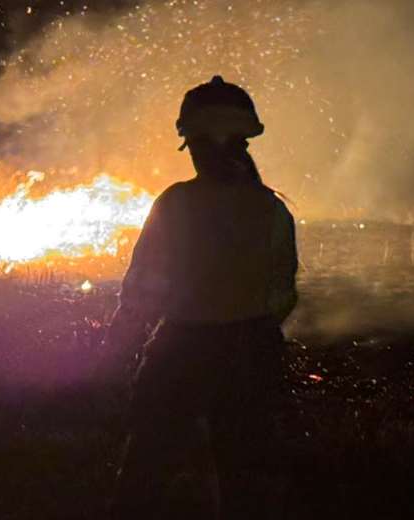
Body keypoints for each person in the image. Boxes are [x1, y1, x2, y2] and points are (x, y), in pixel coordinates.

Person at [106, 76, 298, 519]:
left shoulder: (175, 204)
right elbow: (282, 293)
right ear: (243, 143)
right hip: (252, 353)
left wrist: (122, 343)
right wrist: (253, 327)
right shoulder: (271, 209)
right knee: (244, 476)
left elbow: (144, 288)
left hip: (182, 351)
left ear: (197, 144)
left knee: (146, 469)